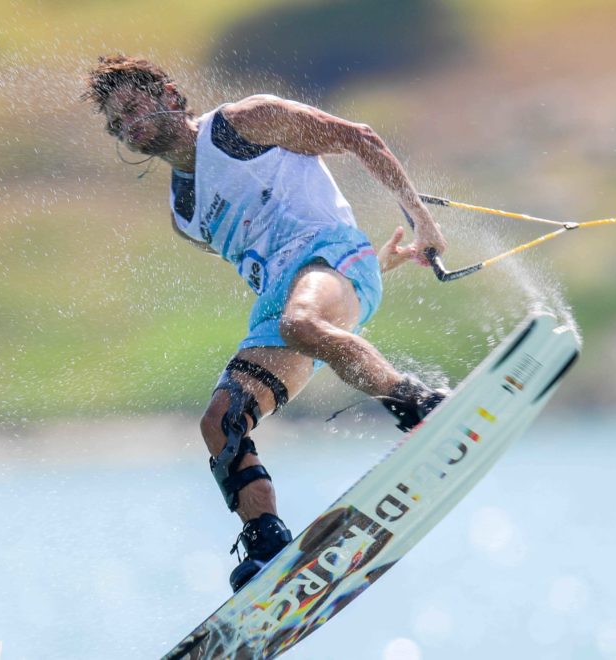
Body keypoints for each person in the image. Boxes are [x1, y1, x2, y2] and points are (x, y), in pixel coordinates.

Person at [83, 54, 449, 592]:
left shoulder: (243, 124)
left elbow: (360, 138)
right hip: (287, 302)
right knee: (219, 421)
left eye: (134, 107)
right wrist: (381, 264)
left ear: (170, 96)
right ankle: (267, 544)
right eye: (117, 123)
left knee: (302, 322)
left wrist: (422, 222)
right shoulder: (185, 214)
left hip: (330, 256)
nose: (128, 125)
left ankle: (420, 407)